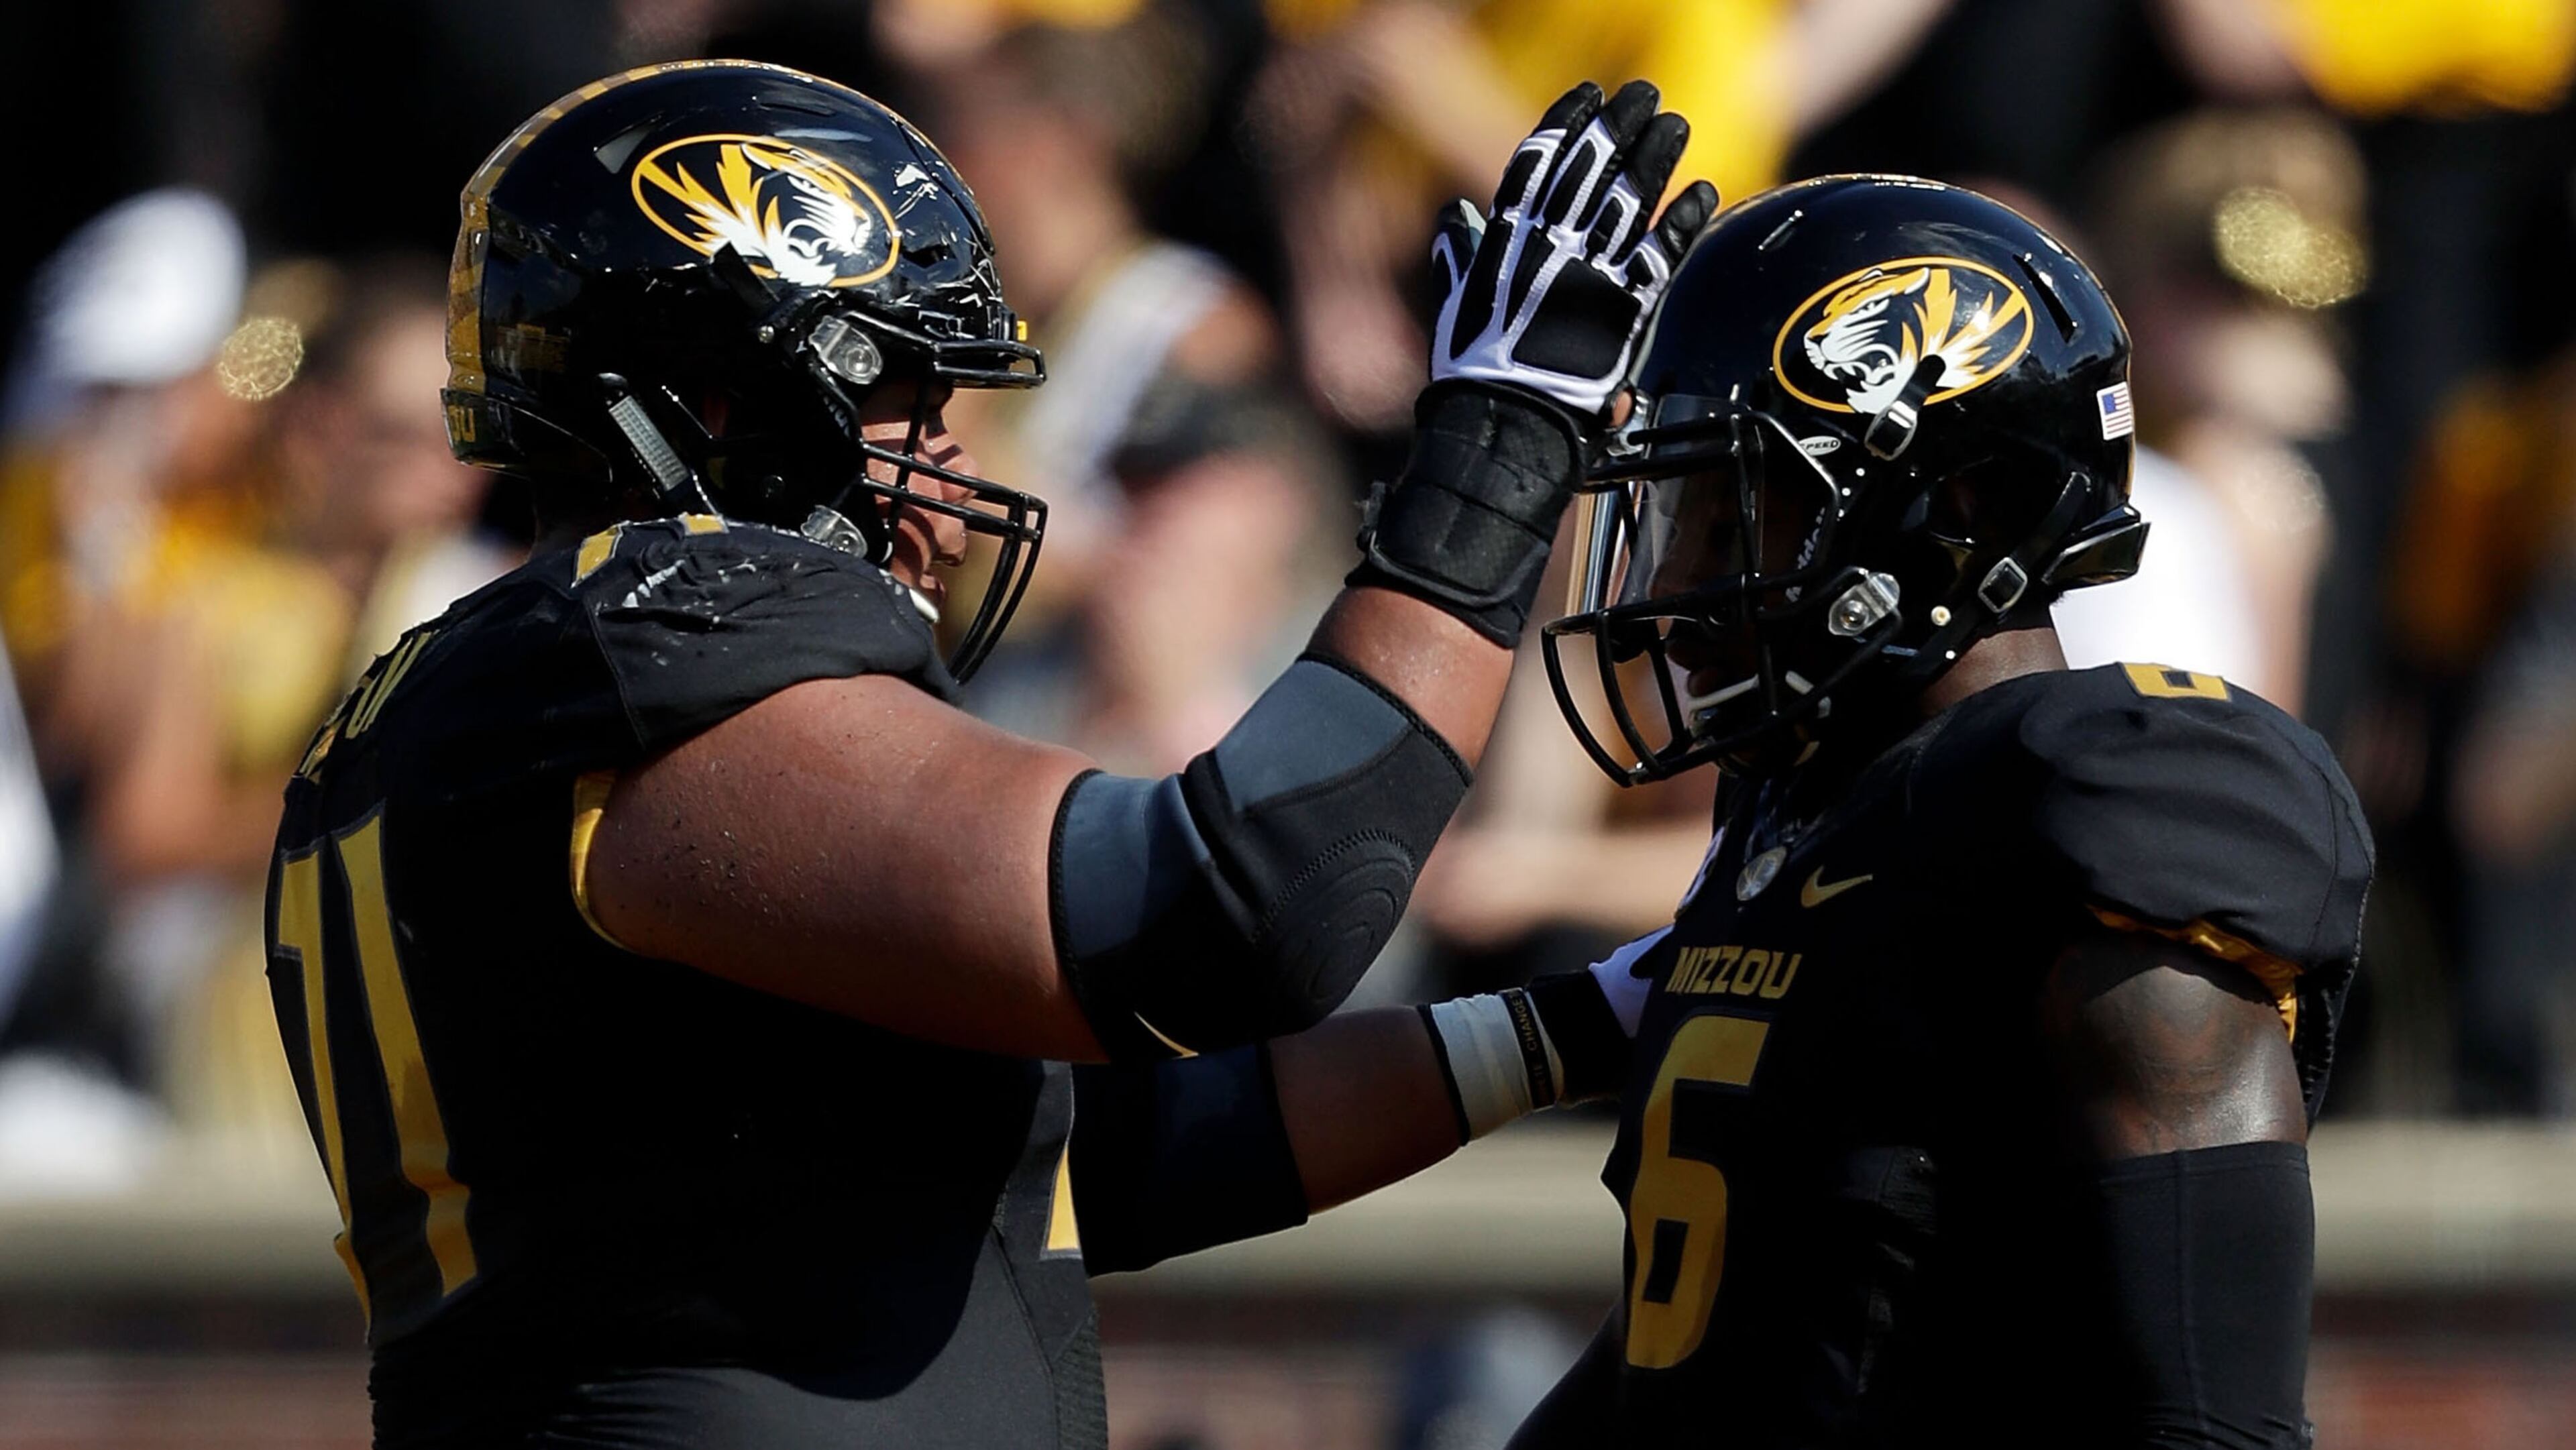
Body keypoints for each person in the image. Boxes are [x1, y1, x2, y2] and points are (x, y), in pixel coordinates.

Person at [264, 60, 1712, 1447]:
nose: (955, 489)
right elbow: (1230, 904)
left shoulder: (481, 691)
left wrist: (1593, 1016)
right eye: (916, 406)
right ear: (727, 405)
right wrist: (1501, 454)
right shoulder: (644, 642)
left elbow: (1088, 1157)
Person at [1479, 176, 2373, 1448]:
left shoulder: (2099, 803)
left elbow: (2213, 1423)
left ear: (1947, 514)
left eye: (1730, 514)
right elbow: (1715, 1337)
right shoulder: (1799, 810)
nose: (1676, 585)